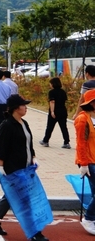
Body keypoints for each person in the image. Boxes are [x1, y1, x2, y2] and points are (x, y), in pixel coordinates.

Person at [0, 94, 48, 241]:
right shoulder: (7, 125)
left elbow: (28, 143)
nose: (26, 107)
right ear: (15, 108)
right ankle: (35, 232)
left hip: (26, 168)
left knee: (11, 196)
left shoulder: (24, 123)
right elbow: (2, 148)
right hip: (13, 169)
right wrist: (1, 168)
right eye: (23, 105)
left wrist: (33, 157)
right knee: (27, 199)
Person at [73, 89, 95, 235]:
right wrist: (84, 163)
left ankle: (92, 218)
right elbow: (81, 142)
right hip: (89, 161)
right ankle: (88, 218)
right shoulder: (83, 119)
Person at [39, 77, 70, 148]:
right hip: (62, 111)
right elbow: (65, 101)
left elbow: (52, 101)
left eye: (50, 83)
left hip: (55, 111)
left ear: (53, 84)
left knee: (50, 127)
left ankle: (45, 141)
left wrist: (52, 112)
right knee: (64, 127)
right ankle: (66, 142)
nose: (50, 85)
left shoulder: (51, 92)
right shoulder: (63, 92)